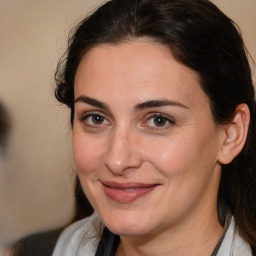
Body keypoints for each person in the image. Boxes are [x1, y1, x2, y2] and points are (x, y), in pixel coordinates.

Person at [52, 0, 256, 255]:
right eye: (96, 118)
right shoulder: (68, 245)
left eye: (159, 120)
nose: (117, 160)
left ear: (230, 134)